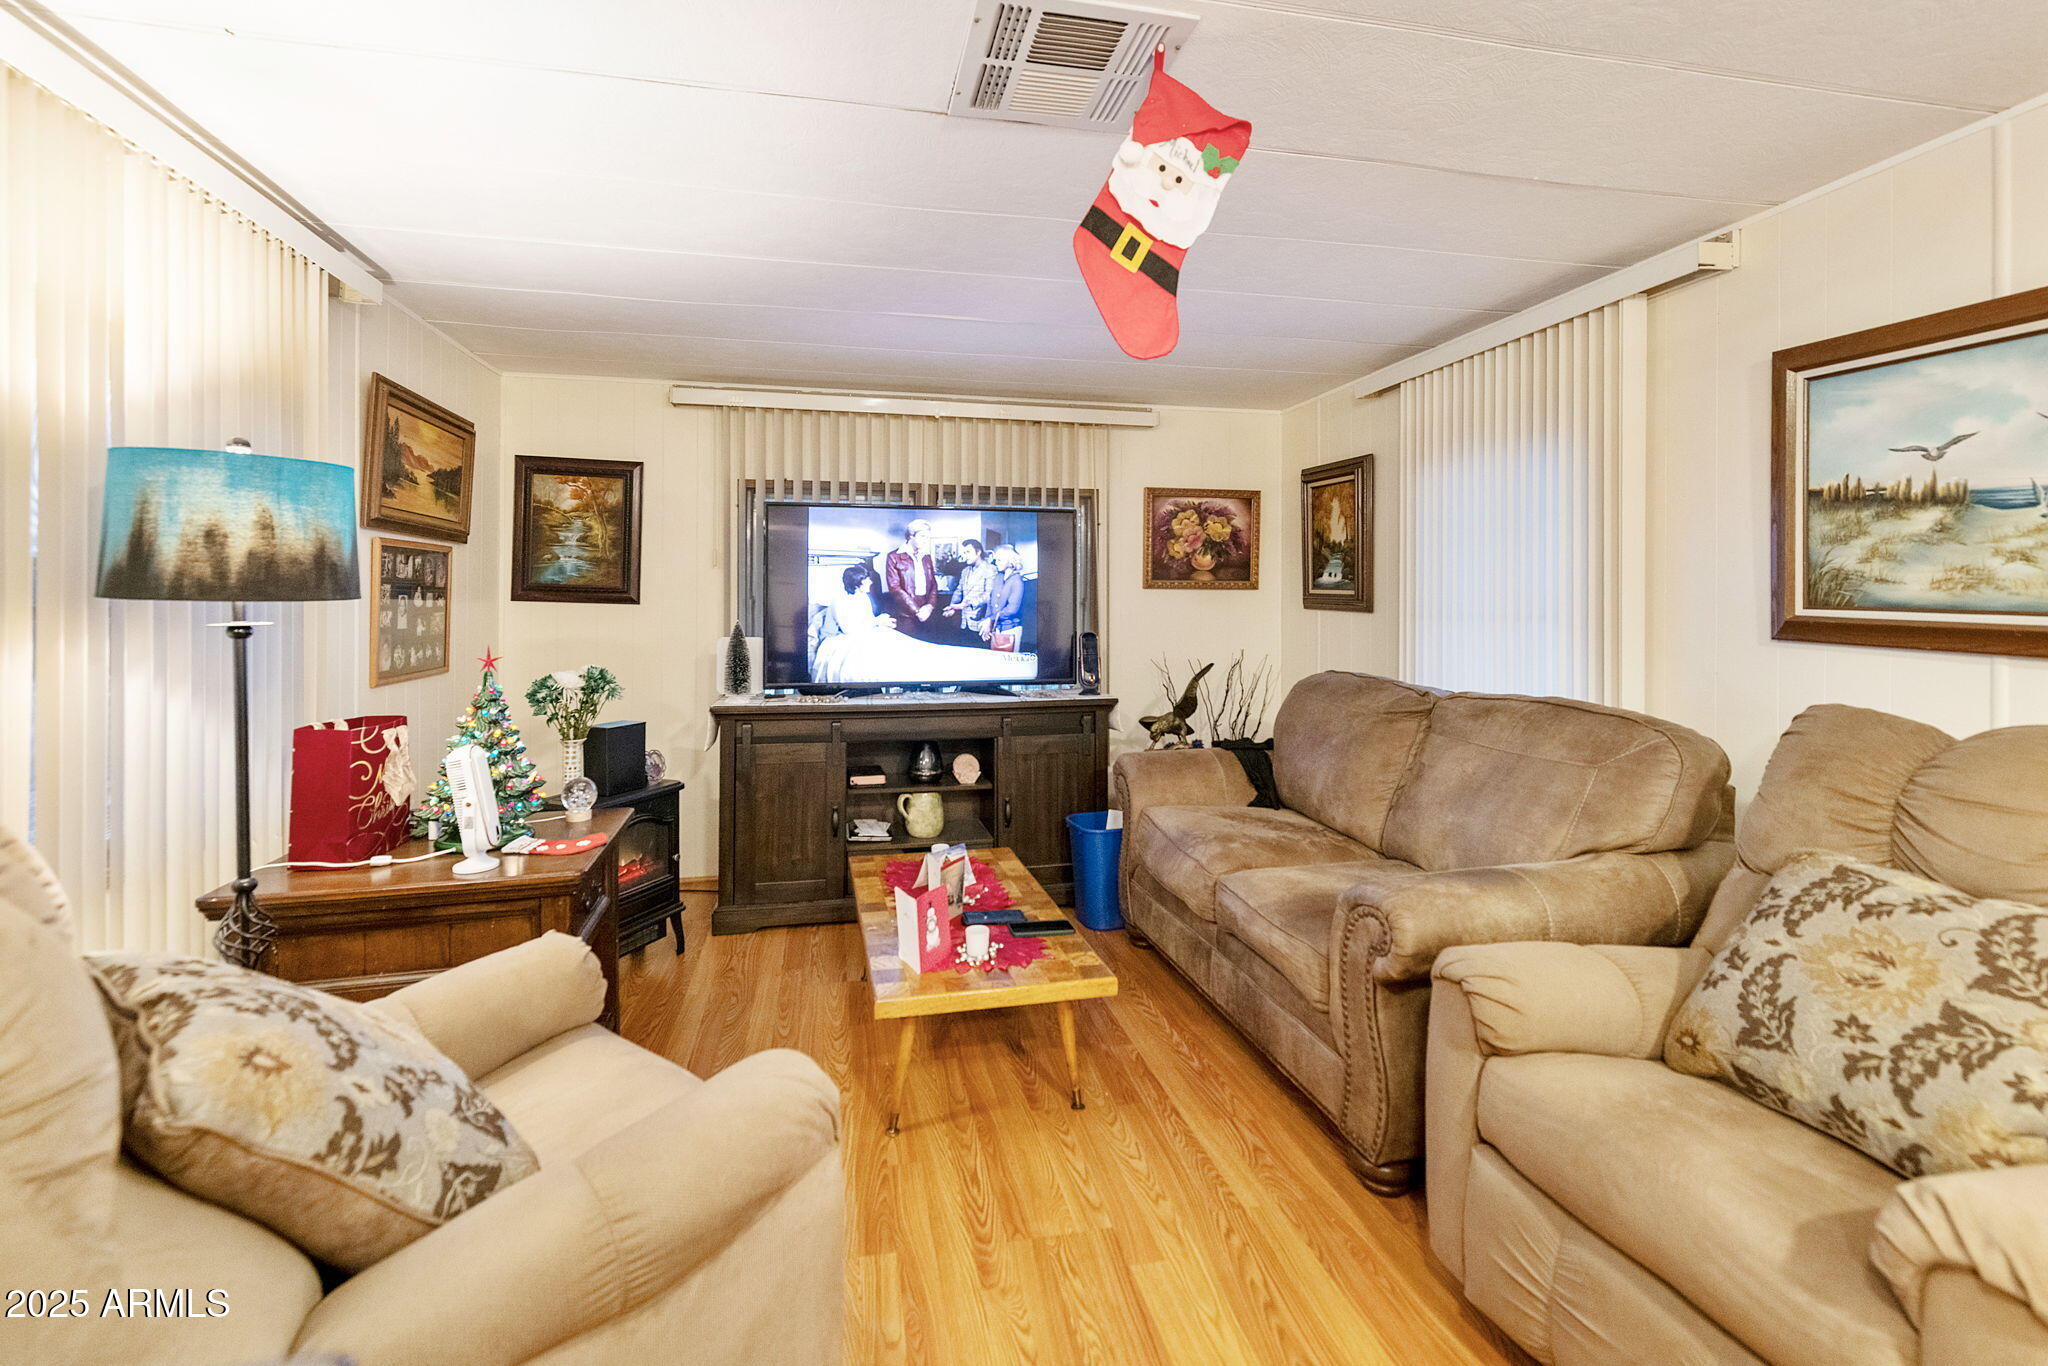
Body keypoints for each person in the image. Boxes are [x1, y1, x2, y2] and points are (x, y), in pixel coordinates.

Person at [882, 519, 939, 637]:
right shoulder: (894, 557)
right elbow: (894, 588)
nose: (926, 540)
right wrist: (917, 611)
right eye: (923, 536)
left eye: (927, 537)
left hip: (927, 612)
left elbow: (933, 583)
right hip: (905, 615)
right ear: (911, 536)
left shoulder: (926, 557)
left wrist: (929, 606)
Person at [942, 538, 997, 644]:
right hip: (964, 621)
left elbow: (989, 595)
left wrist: (965, 604)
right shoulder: (965, 571)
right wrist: (952, 607)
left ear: (978, 552)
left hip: (980, 622)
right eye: (964, 552)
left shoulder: (990, 569)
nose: (965, 555)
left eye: (968, 552)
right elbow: (959, 591)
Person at [986, 545, 1025, 653]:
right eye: (996, 560)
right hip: (996, 628)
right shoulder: (997, 577)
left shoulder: (1017, 581)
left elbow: (1012, 610)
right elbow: (990, 601)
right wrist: (987, 622)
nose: (996, 562)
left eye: (999, 560)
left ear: (1010, 561)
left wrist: (991, 619)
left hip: (1011, 629)